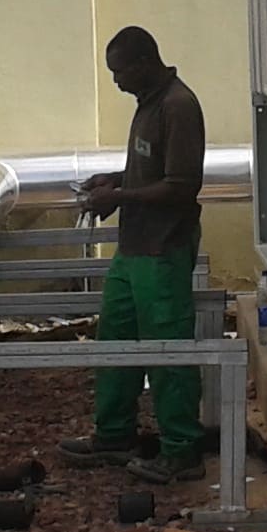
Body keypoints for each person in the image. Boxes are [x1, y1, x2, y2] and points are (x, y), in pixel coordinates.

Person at [59, 25, 208, 485]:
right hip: (134, 247)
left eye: (120, 72)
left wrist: (120, 197)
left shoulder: (177, 106)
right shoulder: (148, 102)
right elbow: (152, 170)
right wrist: (115, 180)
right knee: (115, 340)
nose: (116, 81)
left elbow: (182, 185)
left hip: (163, 249)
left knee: (166, 349)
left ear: (145, 63)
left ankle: (181, 450)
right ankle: (114, 434)